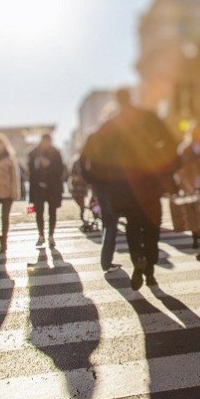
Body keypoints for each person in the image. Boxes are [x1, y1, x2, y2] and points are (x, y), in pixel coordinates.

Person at [83, 88, 178, 290]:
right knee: (152, 226)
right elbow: (171, 142)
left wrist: (99, 180)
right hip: (149, 181)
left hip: (123, 185)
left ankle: (138, 261)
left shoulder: (109, 125)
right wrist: (164, 166)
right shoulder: (148, 117)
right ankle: (150, 270)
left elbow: (90, 154)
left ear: (117, 101)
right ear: (131, 98)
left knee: (133, 226)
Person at [27, 134, 65, 247]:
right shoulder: (33, 153)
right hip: (38, 187)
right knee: (39, 212)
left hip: (52, 188)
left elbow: (61, 170)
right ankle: (41, 235)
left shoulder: (56, 153)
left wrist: (49, 165)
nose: (46, 144)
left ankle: (51, 235)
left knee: (52, 212)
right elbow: (30, 172)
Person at [67, 155, 91, 222]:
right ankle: (84, 209)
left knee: (83, 200)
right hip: (76, 185)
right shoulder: (76, 161)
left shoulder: (87, 160)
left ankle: (84, 213)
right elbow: (71, 172)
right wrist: (74, 177)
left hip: (84, 184)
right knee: (78, 199)